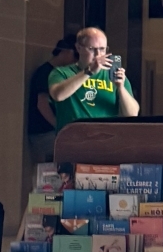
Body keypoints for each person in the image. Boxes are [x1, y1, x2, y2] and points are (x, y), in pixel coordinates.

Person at [48, 27, 139, 128]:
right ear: (78, 48)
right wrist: (89, 72)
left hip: (106, 135)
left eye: (102, 49)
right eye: (91, 49)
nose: (98, 55)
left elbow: (132, 114)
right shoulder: (61, 72)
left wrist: (121, 87)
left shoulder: (115, 75)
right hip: (73, 135)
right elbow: (58, 95)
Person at [27, 36, 76, 164]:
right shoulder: (45, 73)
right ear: (65, 51)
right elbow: (42, 104)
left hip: (48, 131)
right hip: (43, 131)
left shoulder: (61, 73)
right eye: (75, 55)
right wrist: (58, 126)